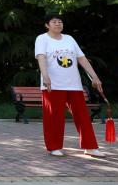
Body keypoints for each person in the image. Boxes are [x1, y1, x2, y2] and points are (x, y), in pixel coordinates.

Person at [34, 13, 105, 158]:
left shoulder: (69, 39)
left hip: (74, 84)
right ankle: (54, 147)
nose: (58, 24)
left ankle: (90, 147)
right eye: (54, 22)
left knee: (82, 116)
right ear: (47, 25)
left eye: (60, 21)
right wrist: (45, 76)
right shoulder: (42, 38)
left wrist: (94, 77)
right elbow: (41, 57)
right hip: (53, 85)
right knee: (54, 117)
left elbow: (82, 58)